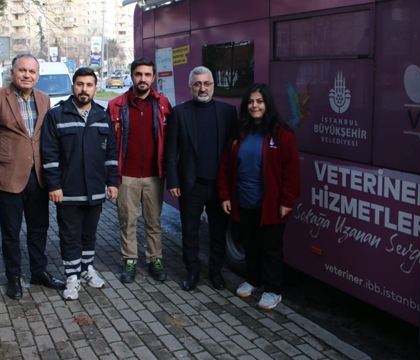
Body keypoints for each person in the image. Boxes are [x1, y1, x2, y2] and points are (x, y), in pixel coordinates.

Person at [0, 52, 65, 300]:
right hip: (8, 177)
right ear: (12, 72)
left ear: (37, 75)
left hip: (38, 176)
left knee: (39, 229)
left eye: (32, 71)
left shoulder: (44, 99)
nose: (27, 75)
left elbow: (45, 137)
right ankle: (13, 276)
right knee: (10, 231)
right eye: (22, 70)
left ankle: (38, 272)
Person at [217, 83, 301, 310]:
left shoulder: (281, 134)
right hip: (243, 202)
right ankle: (253, 280)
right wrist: (225, 195)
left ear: (267, 104)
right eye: (251, 102)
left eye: (259, 101)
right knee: (250, 245)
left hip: (271, 205)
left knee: (271, 248)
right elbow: (225, 166)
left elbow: (291, 171)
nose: (255, 106)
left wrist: (287, 201)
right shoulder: (239, 133)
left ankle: (273, 290)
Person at [41, 67, 119, 300]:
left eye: (89, 85)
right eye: (79, 84)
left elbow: (111, 154)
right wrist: (54, 186)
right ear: (73, 86)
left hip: (95, 190)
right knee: (69, 234)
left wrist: (112, 182)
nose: (84, 89)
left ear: (95, 88)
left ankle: (86, 269)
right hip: (68, 191)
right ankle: (71, 276)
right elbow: (49, 154)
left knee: (89, 233)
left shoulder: (103, 116)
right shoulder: (57, 115)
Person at [164, 66, 238, 291]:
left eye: (206, 84)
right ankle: (193, 271)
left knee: (218, 232)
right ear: (190, 88)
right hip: (191, 185)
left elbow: (234, 150)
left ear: (213, 86)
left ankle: (215, 272)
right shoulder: (180, 112)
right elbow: (171, 151)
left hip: (219, 186)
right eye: (198, 84)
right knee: (190, 231)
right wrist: (173, 182)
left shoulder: (227, 112)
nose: (202, 88)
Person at [107, 58, 172, 283]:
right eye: (138, 74)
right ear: (131, 76)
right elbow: (109, 145)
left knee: (154, 222)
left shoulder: (163, 104)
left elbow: (169, 141)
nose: (142, 79)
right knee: (128, 221)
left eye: (147, 74)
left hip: (154, 176)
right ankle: (130, 260)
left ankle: (155, 259)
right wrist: (111, 179)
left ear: (153, 77)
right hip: (127, 176)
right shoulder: (116, 105)